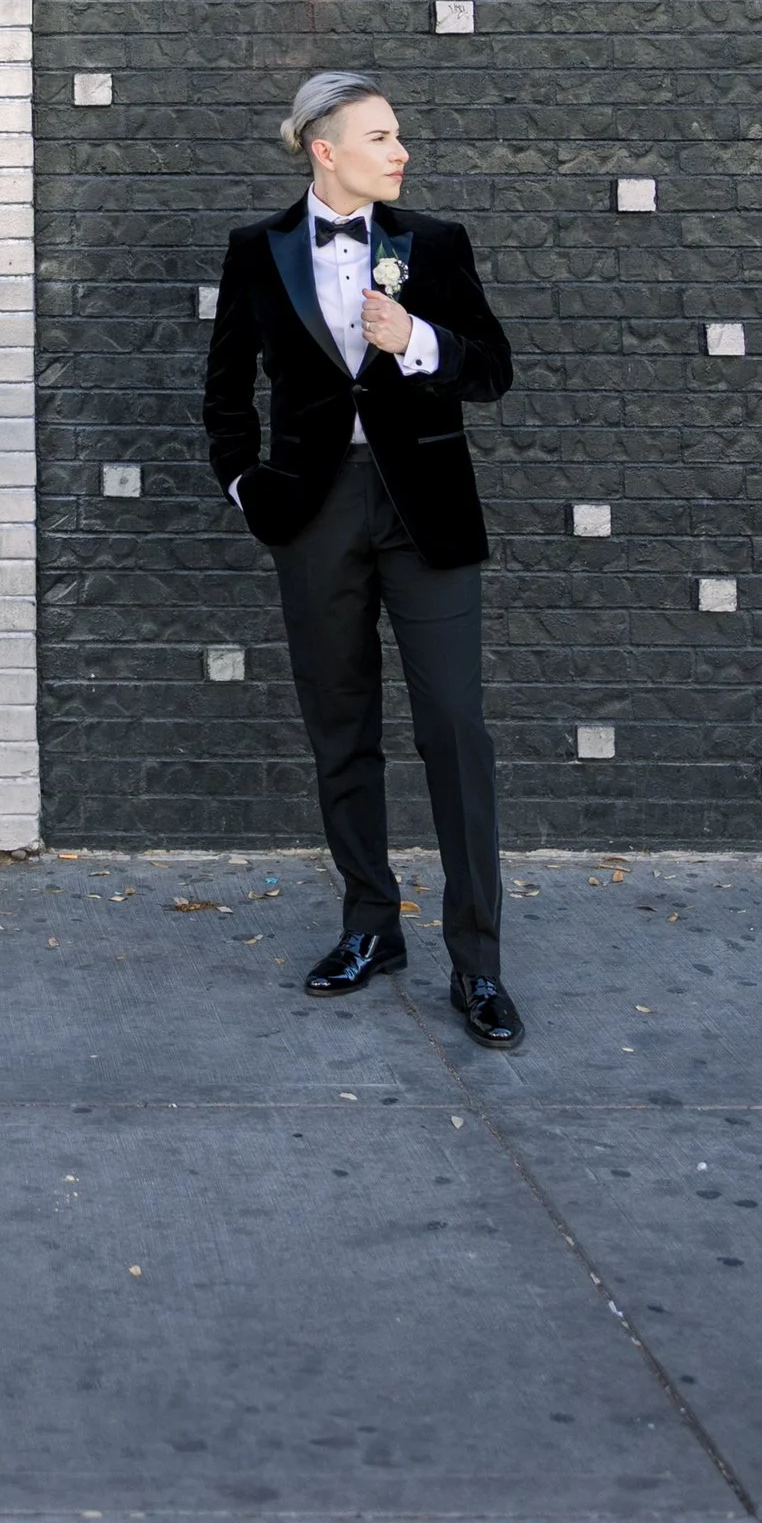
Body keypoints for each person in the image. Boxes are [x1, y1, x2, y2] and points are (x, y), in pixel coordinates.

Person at [202, 70, 524, 1050]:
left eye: (400, 135)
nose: (401, 151)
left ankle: (476, 967)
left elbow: (493, 367)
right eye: (381, 137)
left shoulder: (432, 244)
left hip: (424, 512)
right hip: (312, 516)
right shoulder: (255, 252)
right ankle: (368, 929)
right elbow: (222, 391)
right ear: (324, 150)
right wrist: (247, 489)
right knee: (339, 729)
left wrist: (418, 337)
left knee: (454, 732)